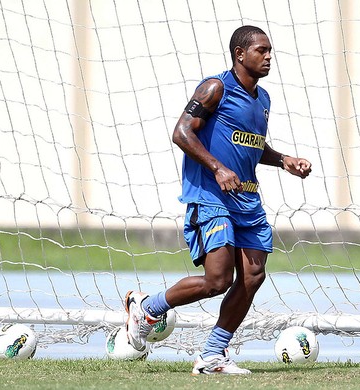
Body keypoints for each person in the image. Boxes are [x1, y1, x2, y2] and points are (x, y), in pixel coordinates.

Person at [123, 25, 312, 375]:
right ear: (240, 54)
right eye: (261, 50)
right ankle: (148, 308)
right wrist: (217, 168)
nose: (268, 56)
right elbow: (181, 132)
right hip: (212, 196)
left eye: (270, 50)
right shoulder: (215, 88)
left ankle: (212, 355)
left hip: (247, 199)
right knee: (217, 280)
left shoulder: (264, 99)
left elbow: (252, 145)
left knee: (253, 276)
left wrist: (283, 159)